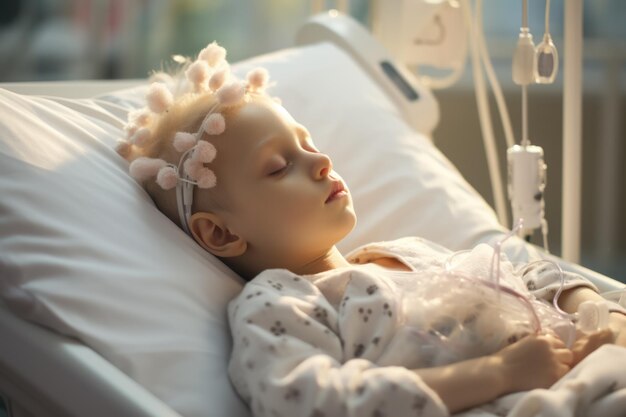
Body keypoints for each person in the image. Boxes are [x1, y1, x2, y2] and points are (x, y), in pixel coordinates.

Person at [117, 42, 626, 416]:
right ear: (221, 235)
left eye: (308, 143)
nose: (319, 160)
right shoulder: (283, 305)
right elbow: (305, 401)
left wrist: (595, 313)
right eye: (278, 166)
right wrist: (497, 374)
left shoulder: (410, 253)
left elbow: (530, 277)